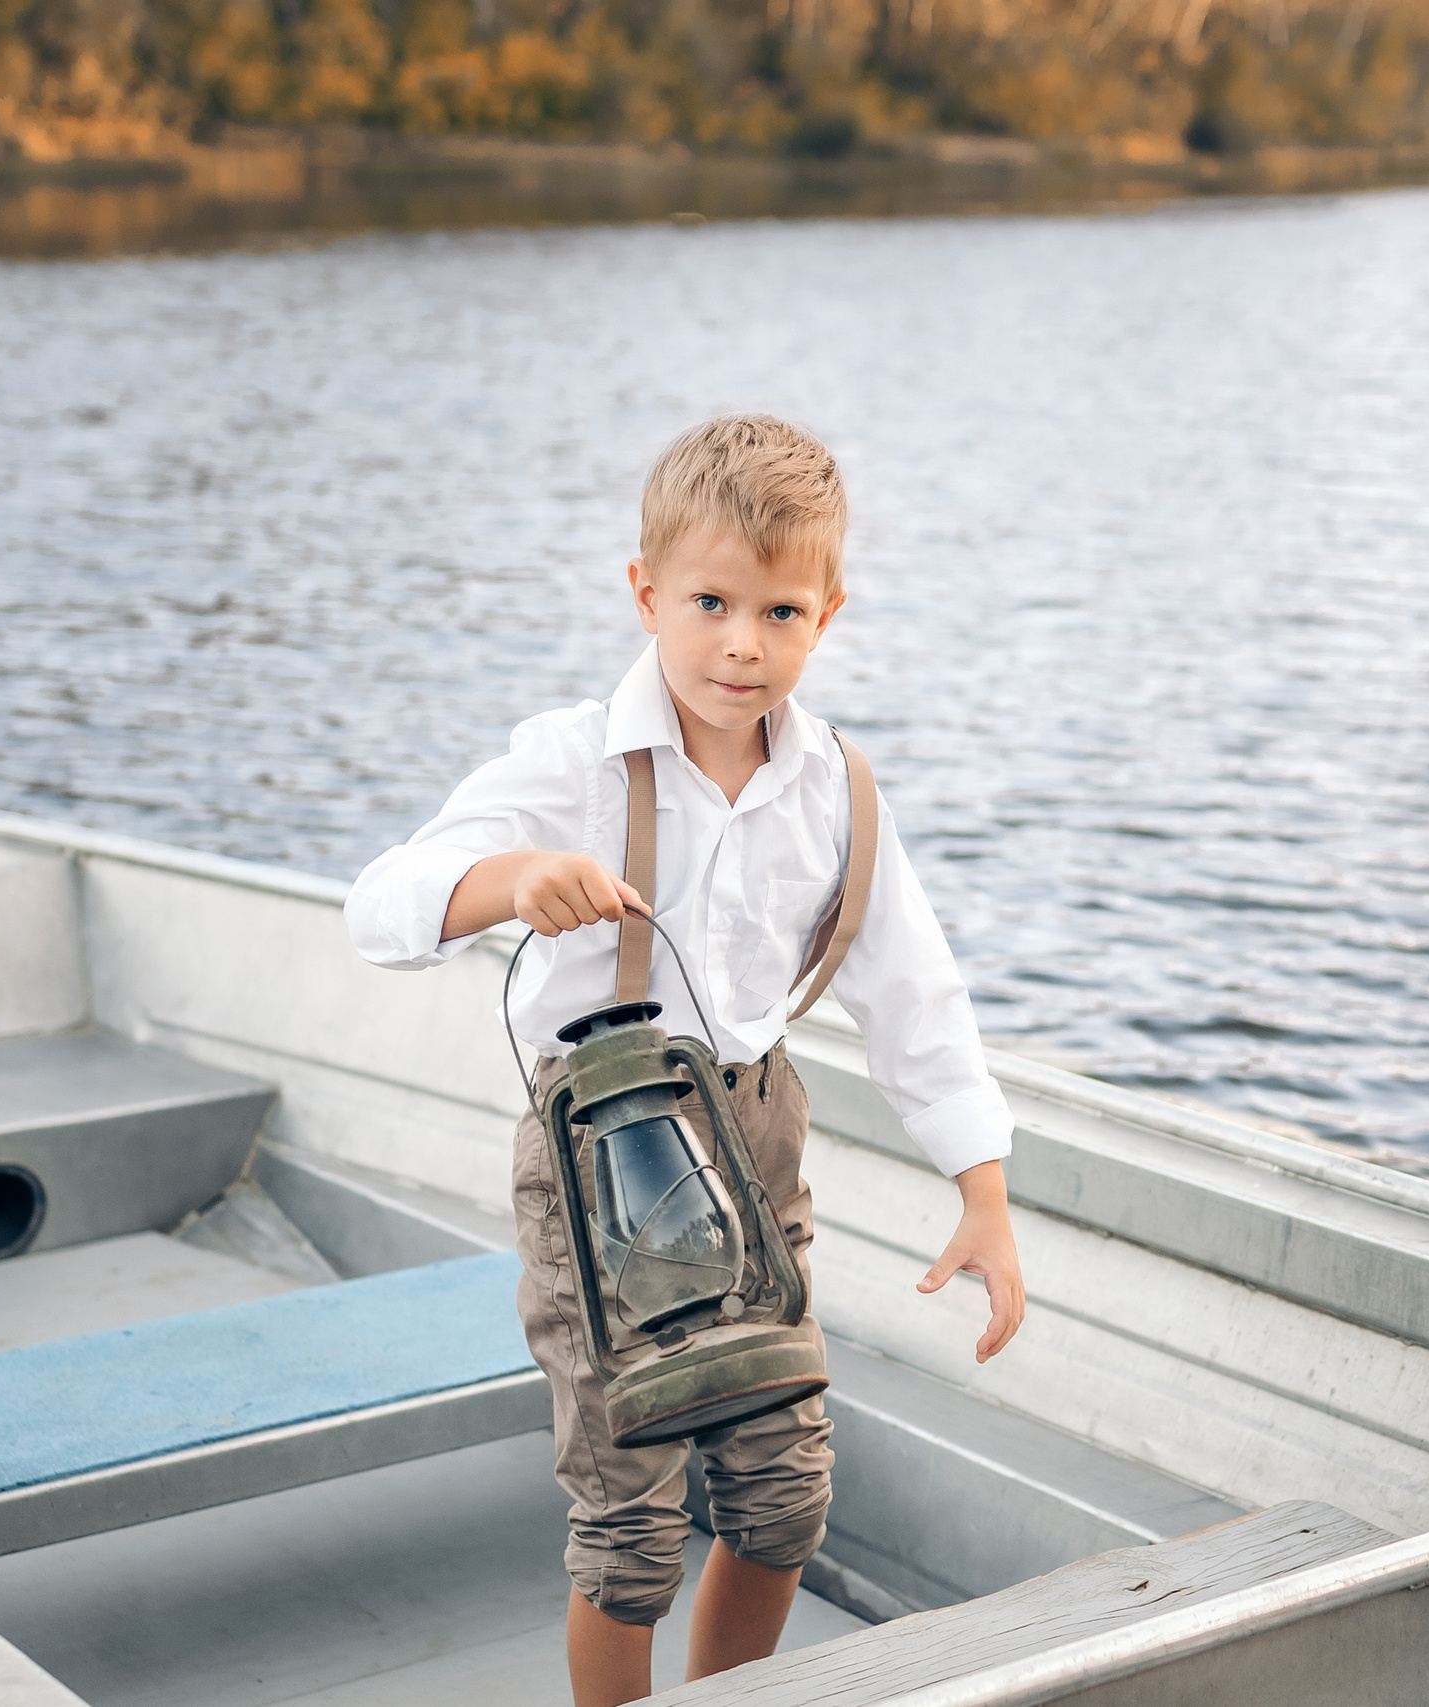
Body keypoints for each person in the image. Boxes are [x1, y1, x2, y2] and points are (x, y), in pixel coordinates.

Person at [345, 414, 1025, 1705]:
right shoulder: (569, 762)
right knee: (634, 1519)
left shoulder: (837, 787)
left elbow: (915, 999)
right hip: (601, 1157)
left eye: (779, 611)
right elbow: (380, 903)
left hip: (758, 1142)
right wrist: (508, 880)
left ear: (826, 614)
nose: (741, 643)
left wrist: (981, 1194)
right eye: (710, 602)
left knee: (782, 1505)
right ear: (646, 593)